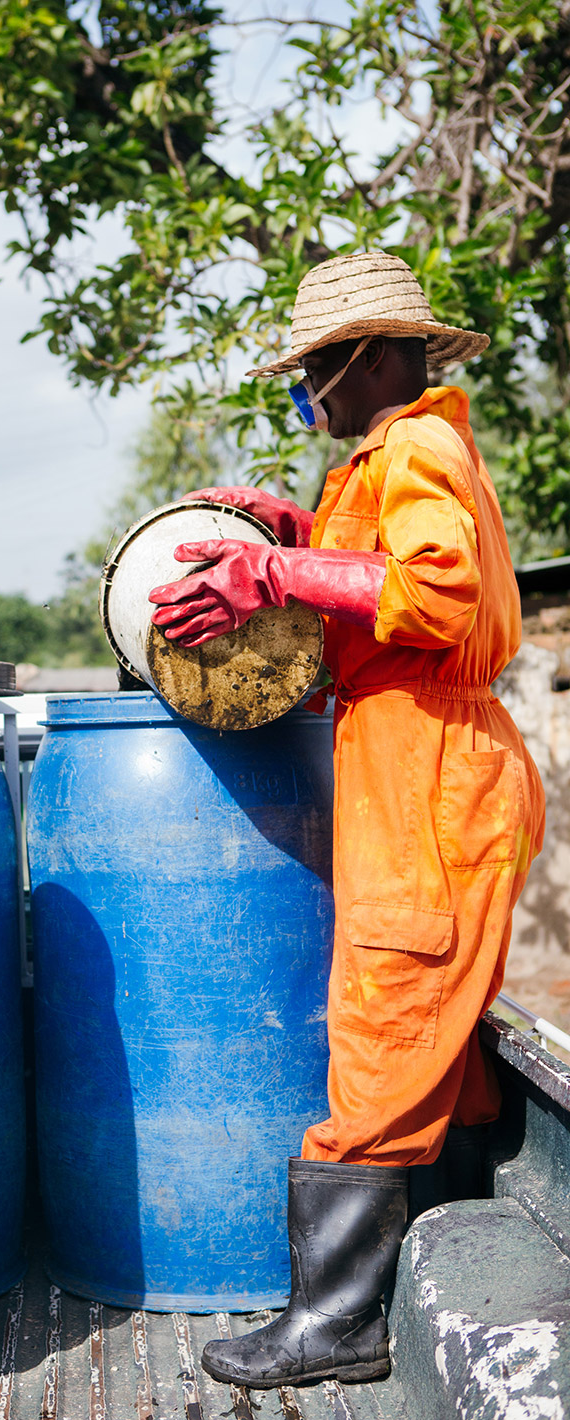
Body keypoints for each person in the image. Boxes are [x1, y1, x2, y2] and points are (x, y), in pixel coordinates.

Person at [148, 249, 546, 1390]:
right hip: (418, 765)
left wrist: (274, 580)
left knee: (384, 1013)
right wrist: (289, 529)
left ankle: (334, 1325)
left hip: (427, 773)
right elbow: (377, 573)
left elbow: (438, 593)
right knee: (435, 1034)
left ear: (364, 356)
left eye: (313, 369)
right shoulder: (388, 455)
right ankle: (449, 1256)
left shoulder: (415, 442)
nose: (306, 393)